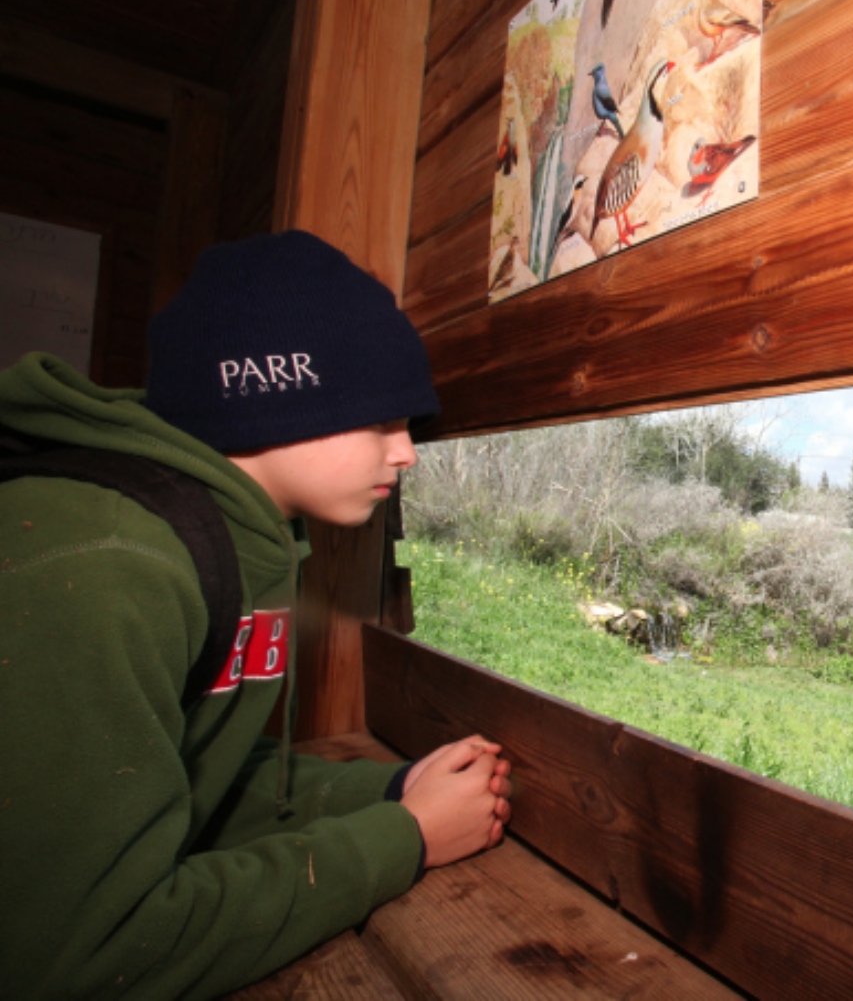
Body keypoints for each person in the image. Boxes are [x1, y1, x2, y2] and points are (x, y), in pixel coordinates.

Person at [0, 230, 512, 999]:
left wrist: (392, 789)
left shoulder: (234, 536)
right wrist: (404, 838)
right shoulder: (110, 568)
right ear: (272, 390)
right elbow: (88, 952)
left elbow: (187, 784)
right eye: (382, 419)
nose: (406, 452)